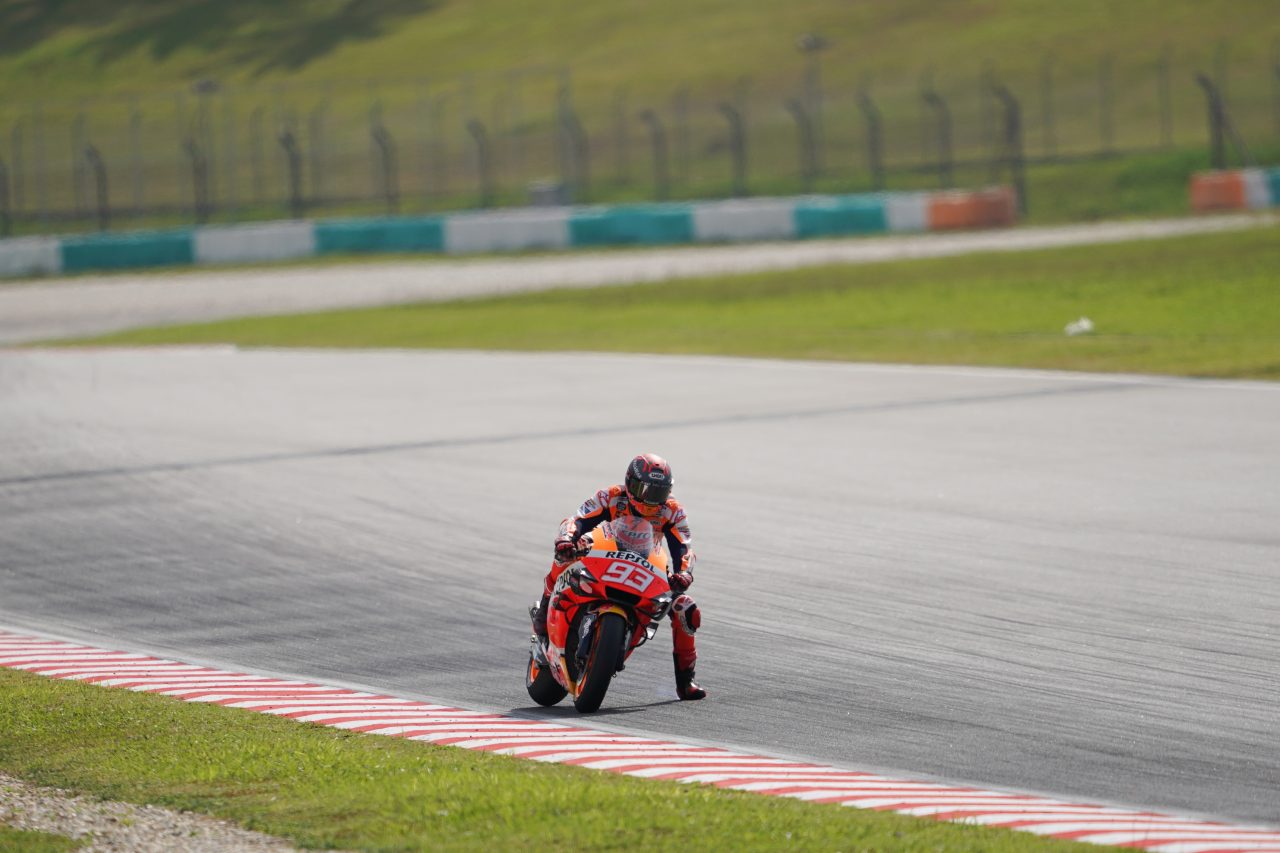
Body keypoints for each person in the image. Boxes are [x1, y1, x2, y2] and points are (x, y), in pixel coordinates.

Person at [533, 453, 706, 701]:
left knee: (686, 609)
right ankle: (545, 606)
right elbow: (578, 519)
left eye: (657, 492)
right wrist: (566, 539)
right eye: (644, 490)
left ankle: (686, 680)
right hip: (603, 554)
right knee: (564, 556)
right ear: (629, 482)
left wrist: (683, 573)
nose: (650, 499)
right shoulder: (611, 496)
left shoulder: (673, 511)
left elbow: (684, 547)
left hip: (646, 567)